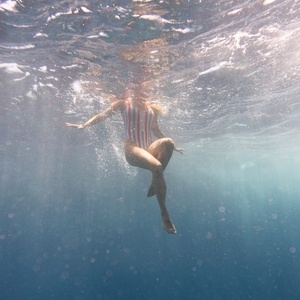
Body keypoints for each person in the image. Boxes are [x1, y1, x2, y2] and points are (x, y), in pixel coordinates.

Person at [65, 86, 183, 234]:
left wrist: (174, 148)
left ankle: (156, 178)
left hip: (148, 149)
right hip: (132, 149)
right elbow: (103, 115)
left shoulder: (152, 108)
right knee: (157, 166)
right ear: (133, 92)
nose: (142, 94)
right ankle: (164, 213)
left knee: (169, 143)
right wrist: (85, 125)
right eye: (139, 91)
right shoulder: (123, 104)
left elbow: (156, 130)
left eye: (145, 91)